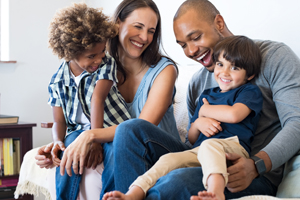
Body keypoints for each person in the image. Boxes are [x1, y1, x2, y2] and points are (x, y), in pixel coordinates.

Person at [104, 0, 300, 199]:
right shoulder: (198, 83)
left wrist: (257, 165)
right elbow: (194, 141)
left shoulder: (274, 57)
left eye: (195, 37)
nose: (190, 51)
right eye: (183, 46)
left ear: (219, 23)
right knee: (129, 129)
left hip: (248, 171)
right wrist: (198, 123)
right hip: (203, 156)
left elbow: (297, 123)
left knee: (174, 181)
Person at [35, 0, 181, 199]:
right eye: (138, 27)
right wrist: (58, 144)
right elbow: (76, 113)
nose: (145, 37)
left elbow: (140, 128)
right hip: (120, 144)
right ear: (117, 24)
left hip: (157, 150)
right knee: (73, 149)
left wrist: (91, 136)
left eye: (151, 31)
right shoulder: (98, 64)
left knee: (120, 140)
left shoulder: (164, 70)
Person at [103, 35, 263, 200]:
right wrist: (199, 121)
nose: (225, 72)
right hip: (198, 151)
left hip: (232, 149)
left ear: (249, 75)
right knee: (168, 159)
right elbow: (192, 138)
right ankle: (133, 194)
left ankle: (216, 193)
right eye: (220, 64)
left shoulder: (248, 91)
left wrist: (205, 111)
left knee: (210, 145)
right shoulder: (207, 95)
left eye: (235, 68)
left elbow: (234, 114)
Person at [46, 3, 131, 200]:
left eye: (102, 52)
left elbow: (97, 99)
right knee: (68, 152)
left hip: (111, 127)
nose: (99, 59)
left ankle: (111, 196)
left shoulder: (106, 63)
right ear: (70, 53)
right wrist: (57, 142)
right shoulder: (57, 81)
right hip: (77, 132)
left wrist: (95, 139)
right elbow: (59, 121)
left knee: (114, 153)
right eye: (91, 56)